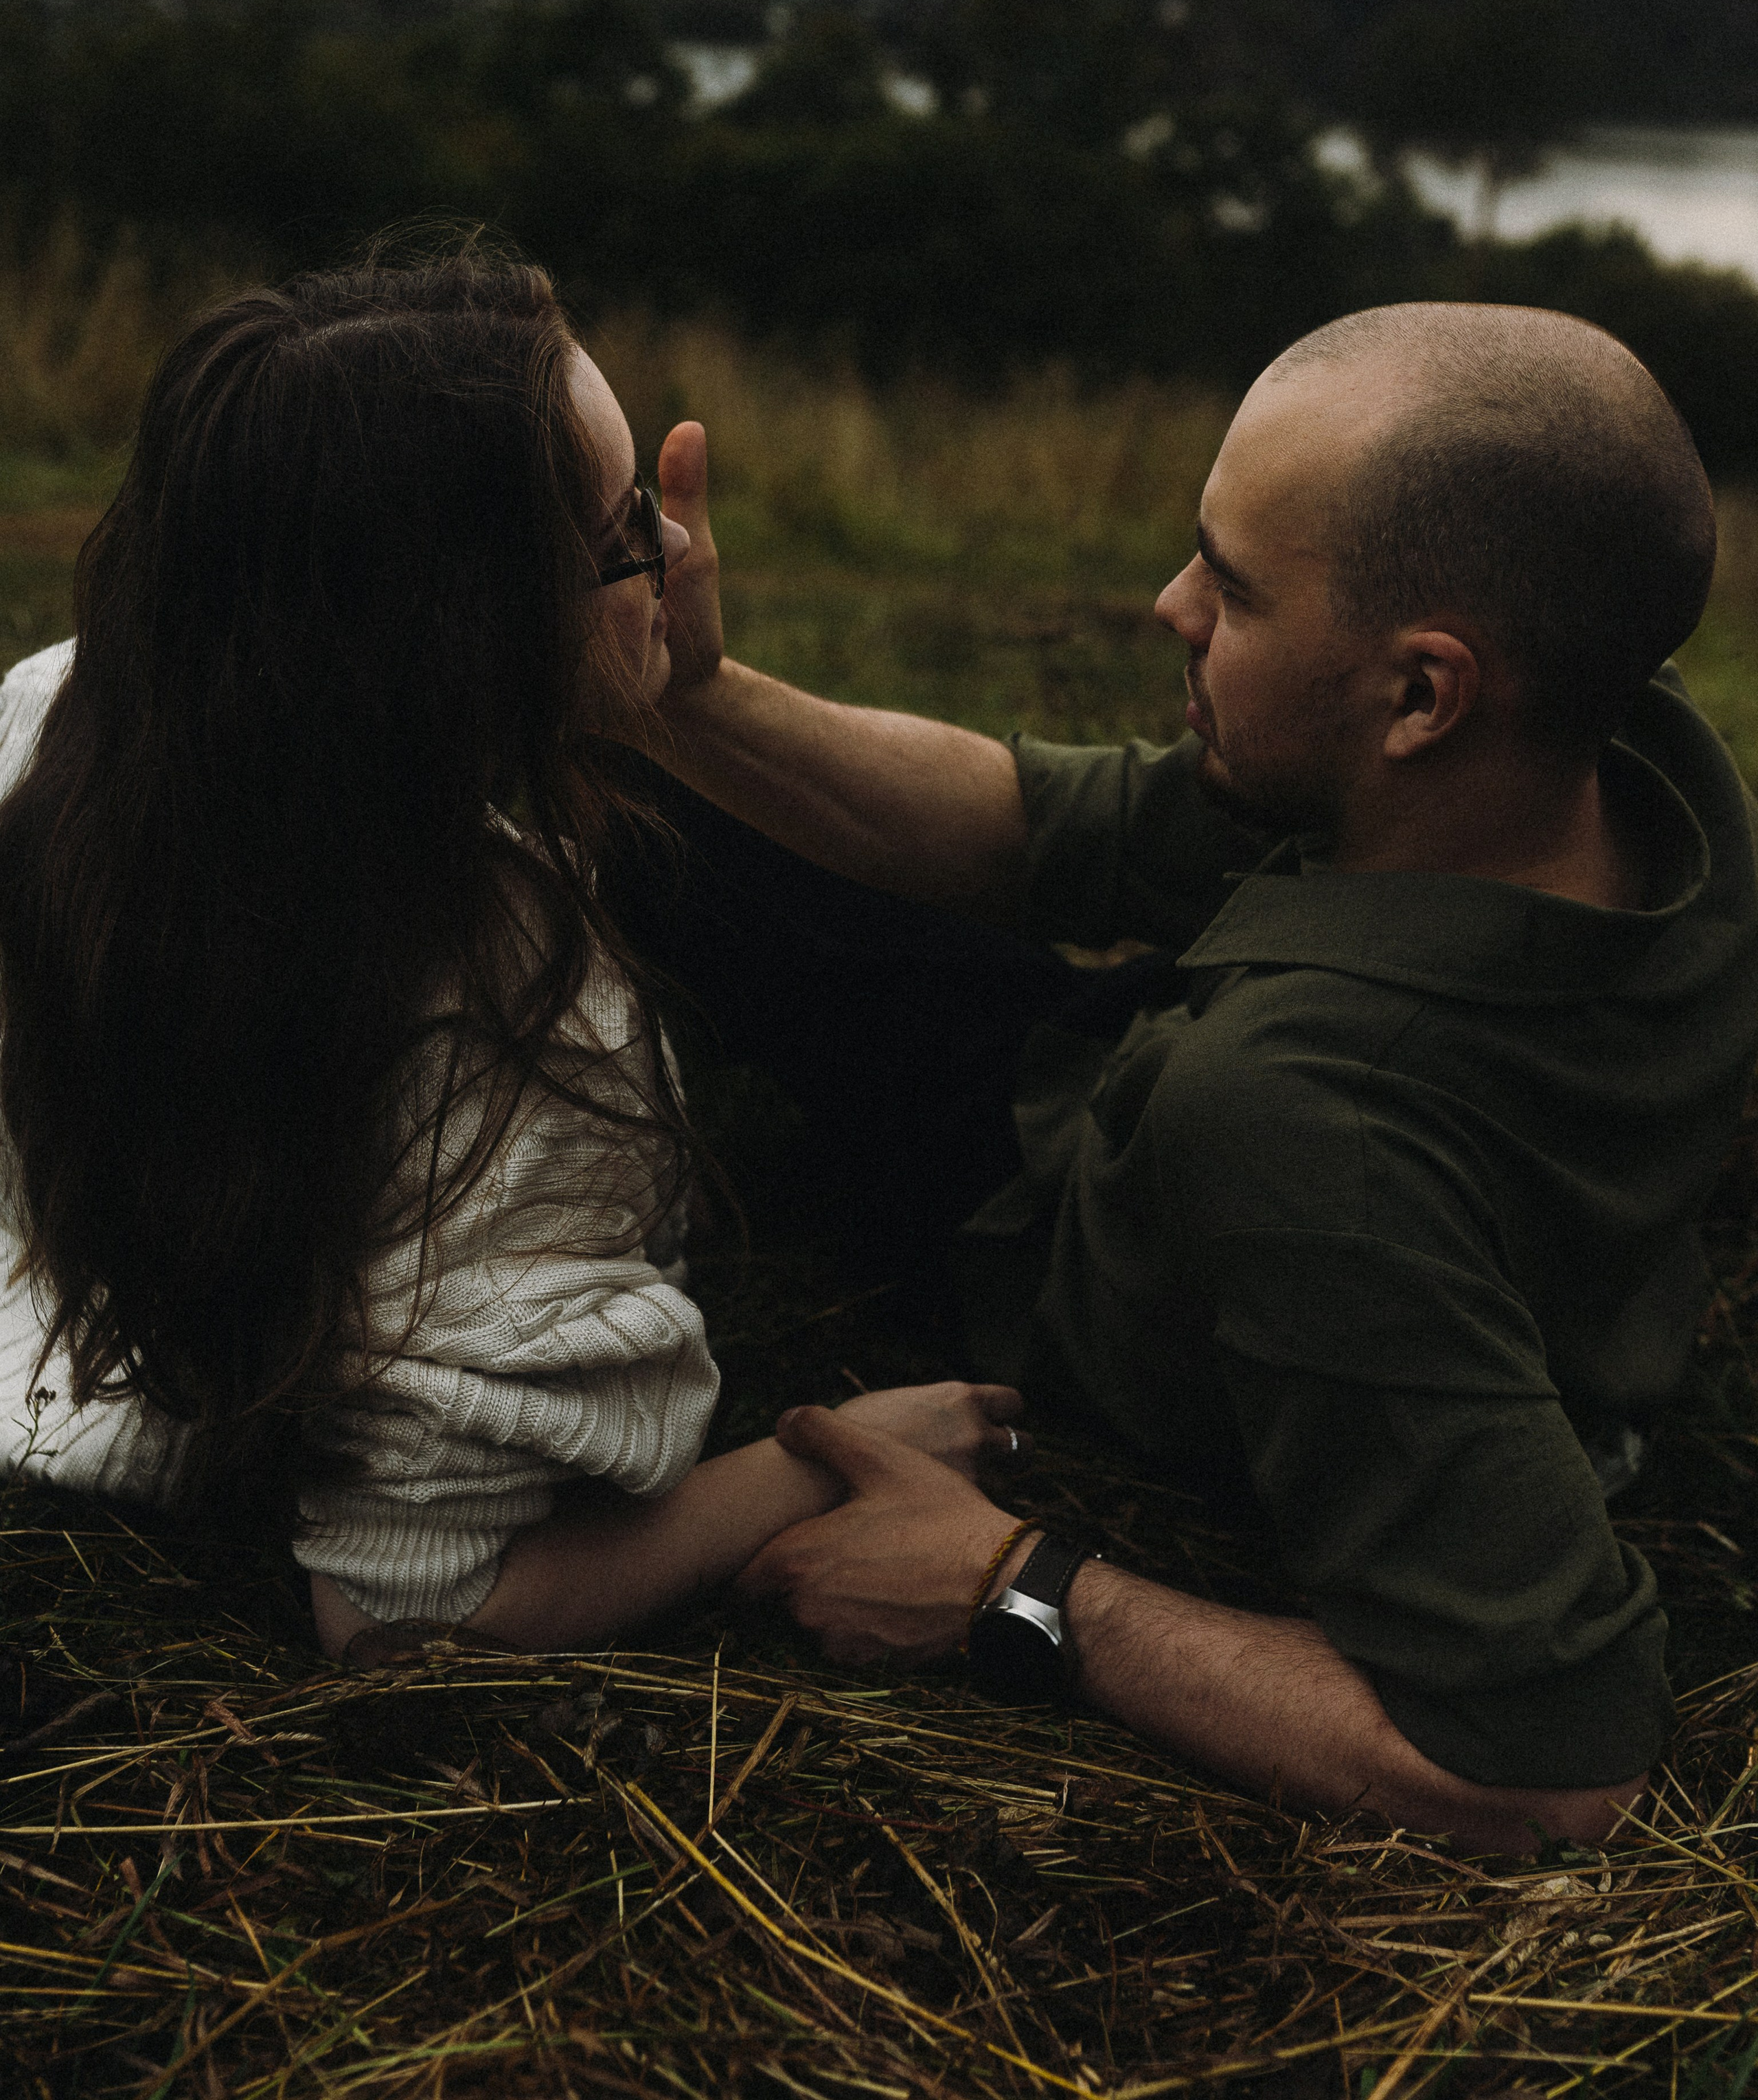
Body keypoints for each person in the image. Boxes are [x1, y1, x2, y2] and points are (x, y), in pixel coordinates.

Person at [618, 301, 1758, 1852]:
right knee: (645, 778)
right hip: (1150, 1067)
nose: (1168, 608)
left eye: (1228, 587)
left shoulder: (1301, 1129)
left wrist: (1012, 1590)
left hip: (1032, 1226)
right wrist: (694, 699)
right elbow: (1059, 835)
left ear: (1421, 696)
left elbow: (1548, 1762)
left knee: (625, 840)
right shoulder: (1616, 753)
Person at [0, 247, 1022, 1665]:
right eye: (623, 535)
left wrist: (646, 667)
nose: (679, 553)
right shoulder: (516, 1023)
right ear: (459, 641)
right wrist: (815, 1458)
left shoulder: (66, 721)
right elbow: (408, 1601)